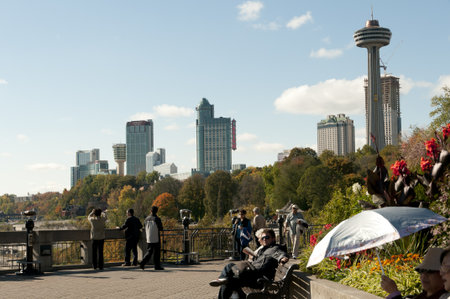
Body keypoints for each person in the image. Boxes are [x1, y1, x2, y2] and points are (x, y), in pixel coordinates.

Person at [209, 228, 289, 299]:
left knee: (229, 279)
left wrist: (283, 259)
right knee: (230, 276)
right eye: (263, 238)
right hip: (254, 275)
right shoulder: (264, 249)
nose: (264, 239)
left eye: (267, 237)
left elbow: (280, 253)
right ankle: (223, 279)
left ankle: (222, 279)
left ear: (273, 239)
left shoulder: (275, 248)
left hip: (260, 279)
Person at [381, 247, 446, 299]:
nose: (423, 275)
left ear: (444, 274)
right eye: (421, 271)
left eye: (429, 271)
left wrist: (394, 293)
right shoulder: (423, 295)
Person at [140, 206, 164, 271]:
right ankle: (157, 266)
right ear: (157, 211)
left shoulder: (146, 219)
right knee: (157, 252)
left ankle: (143, 262)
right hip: (156, 237)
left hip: (148, 237)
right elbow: (161, 228)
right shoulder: (157, 219)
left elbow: (144, 227)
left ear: (151, 211)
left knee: (149, 252)